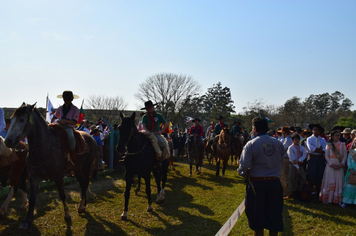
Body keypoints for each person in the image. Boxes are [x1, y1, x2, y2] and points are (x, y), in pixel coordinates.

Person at [237, 116, 284, 236]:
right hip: (275, 183)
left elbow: (244, 166)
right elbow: (281, 163)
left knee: (257, 216)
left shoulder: (251, 144)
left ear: (254, 128)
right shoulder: (278, 143)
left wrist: (242, 172)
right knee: (274, 214)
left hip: (257, 185)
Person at [51, 90, 80, 165]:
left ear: (71, 99)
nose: (66, 100)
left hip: (69, 127)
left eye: (68, 99)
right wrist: (51, 123)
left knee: (70, 137)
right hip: (59, 126)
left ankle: (72, 155)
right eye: (65, 99)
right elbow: (54, 117)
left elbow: (74, 122)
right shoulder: (60, 108)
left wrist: (64, 121)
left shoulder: (75, 109)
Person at [319, 130, 347, 204]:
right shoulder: (329, 145)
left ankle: (337, 199)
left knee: (338, 181)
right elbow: (326, 155)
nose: (338, 137)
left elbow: (345, 156)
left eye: (339, 135)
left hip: (339, 165)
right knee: (330, 181)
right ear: (332, 136)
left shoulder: (343, 144)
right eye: (336, 135)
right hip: (331, 165)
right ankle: (329, 199)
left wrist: (342, 163)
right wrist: (331, 163)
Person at [141, 100, 168, 165]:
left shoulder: (159, 115)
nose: (150, 108)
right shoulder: (145, 117)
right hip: (147, 133)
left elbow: (165, 123)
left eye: (151, 107)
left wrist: (161, 131)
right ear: (146, 109)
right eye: (148, 108)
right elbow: (143, 125)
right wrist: (146, 131)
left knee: (161, 142)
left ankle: (160, 158)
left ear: (153, 107)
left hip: (156, 133)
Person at [305, 124, 327, 198]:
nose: (315, 131)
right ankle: (309, 194)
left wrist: (317, 150)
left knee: (319, 176)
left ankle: (318, 194)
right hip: (312, 158)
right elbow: (311, 149)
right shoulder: (309, 139)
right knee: (310, 176)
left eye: (317, 130)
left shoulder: (323, 139)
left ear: (319, 131)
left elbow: (325, 149)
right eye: (314, 129)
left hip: (320, 159)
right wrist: (319, 150)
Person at [287, 133, 307, 202]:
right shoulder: (291, 148)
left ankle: (300, 194)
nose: (297, 141)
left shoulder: (301, 147)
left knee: (302, 179)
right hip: (293, 165)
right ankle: (295, 196)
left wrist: (299, 160)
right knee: (293, 180)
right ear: (292, 140)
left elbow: (304, 155)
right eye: (295, 139)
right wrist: (297, 167)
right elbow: (292, 159)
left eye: (298, 139)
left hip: (300, 164)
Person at [281, 126, 293, 198]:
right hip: (289, 158)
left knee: (285, 176)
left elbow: (283, 149)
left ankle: (287, 192)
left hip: (286, 158)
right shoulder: (289, 139)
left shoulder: (287, 140)